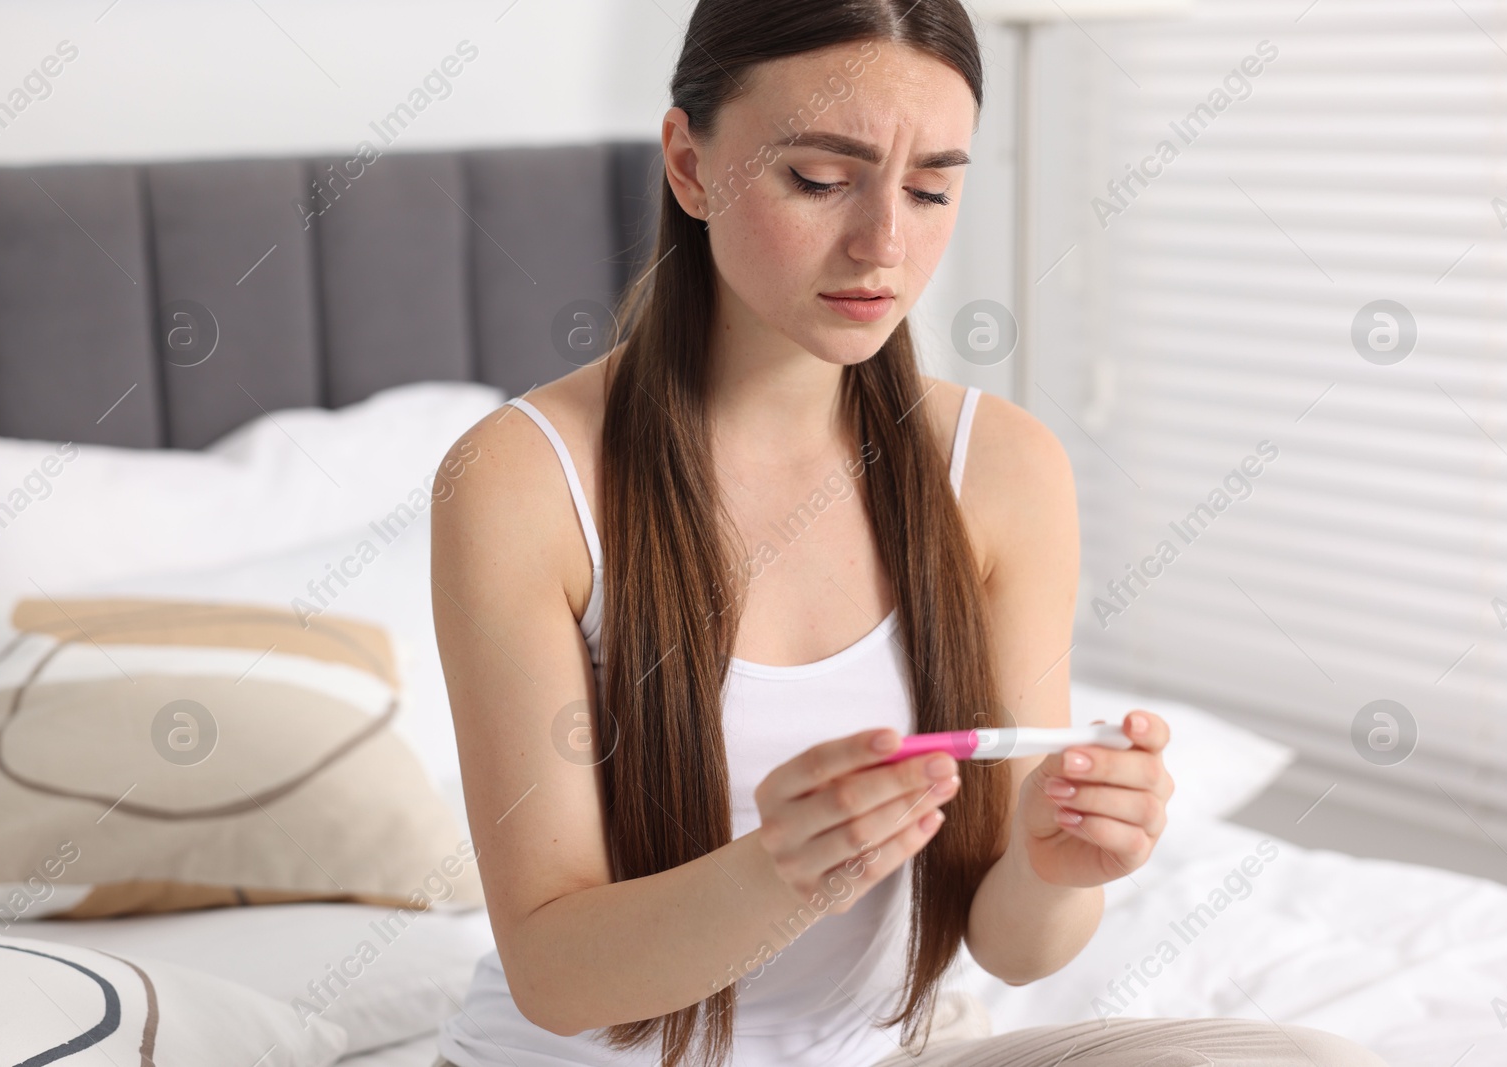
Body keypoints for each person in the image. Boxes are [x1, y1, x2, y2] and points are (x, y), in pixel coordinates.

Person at [427, 1, 1390, 1065]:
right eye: (821, 180)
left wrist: (1055, 860)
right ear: (690, 166)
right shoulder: (520, 478)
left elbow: (1014, 943)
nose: (885, 243)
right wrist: (779, 868)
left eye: (931, 187)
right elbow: (556, 978)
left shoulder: (1002, 467)